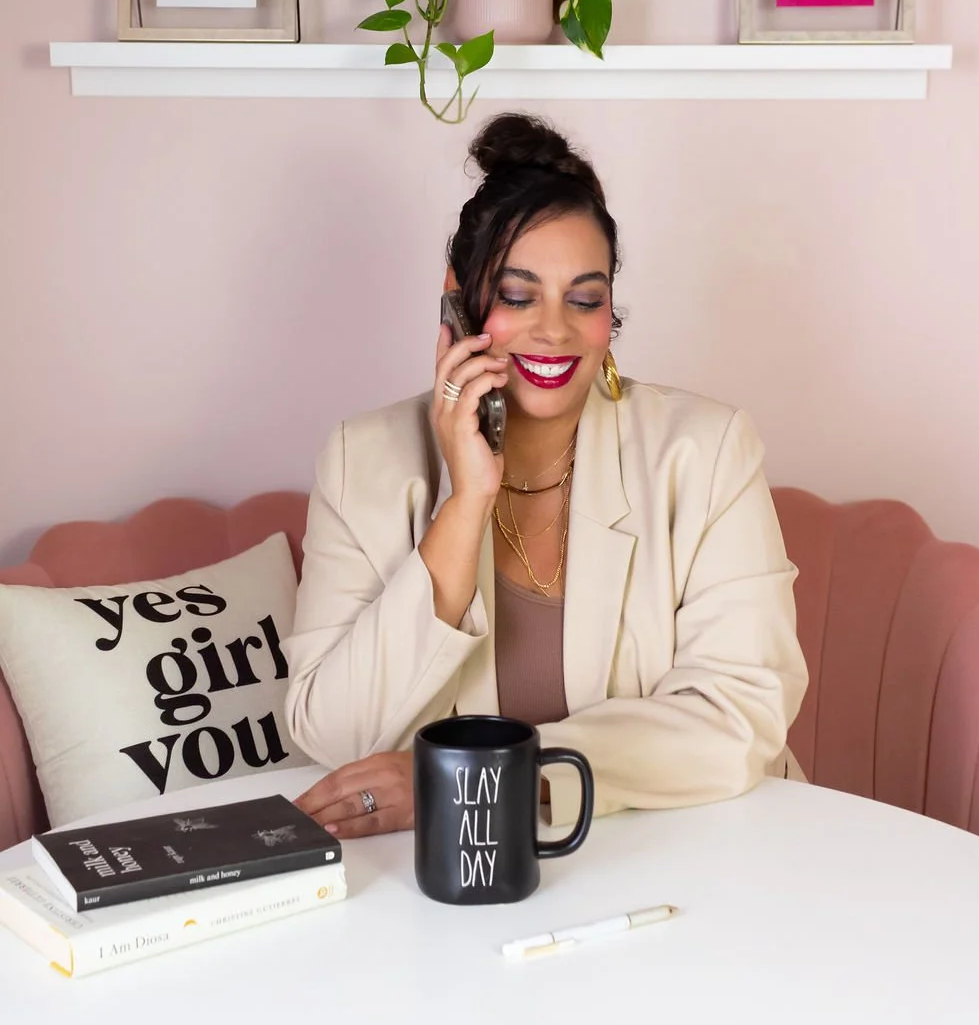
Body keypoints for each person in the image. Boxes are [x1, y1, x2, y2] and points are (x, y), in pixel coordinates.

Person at [286, 113, 808, 838]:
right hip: (455, 883)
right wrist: (466, 502)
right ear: (458, 296)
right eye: (517, 295)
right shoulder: (363, 460)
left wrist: (480, 783)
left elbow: (740, 713)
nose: (555, 331)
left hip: (699, 846)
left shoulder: (707, 449)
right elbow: (332, 734)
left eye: (585, 299)